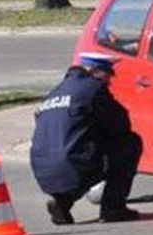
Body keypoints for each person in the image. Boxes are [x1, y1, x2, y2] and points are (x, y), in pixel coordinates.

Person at [30, 52, 143, 224]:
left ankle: (62, 203)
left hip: (42, 170)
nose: (109, 81)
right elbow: (120, 125)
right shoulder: (92, 89)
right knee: (130, 143)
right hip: (75, 164)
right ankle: (113, 208)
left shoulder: (54, 93)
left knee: (77, 159)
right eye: (108, 75)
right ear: (95, 71)